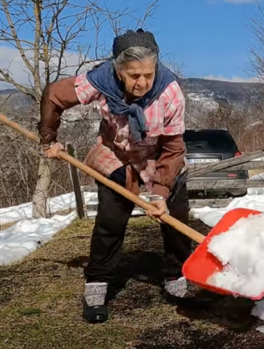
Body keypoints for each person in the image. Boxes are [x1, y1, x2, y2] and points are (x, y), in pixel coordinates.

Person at [38, 29, 193, 323]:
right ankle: (97, 285)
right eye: (134, 75)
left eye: (148, 74)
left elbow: (173, 148)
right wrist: (48, 139)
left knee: (176, 219)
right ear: (118, 70)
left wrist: (159, 193)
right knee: (110, 222)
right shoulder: (100, 81)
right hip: (117, 152)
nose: (142, 82)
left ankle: (175, 274)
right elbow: (54, 96)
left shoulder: (170, 92)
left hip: (160, 155)